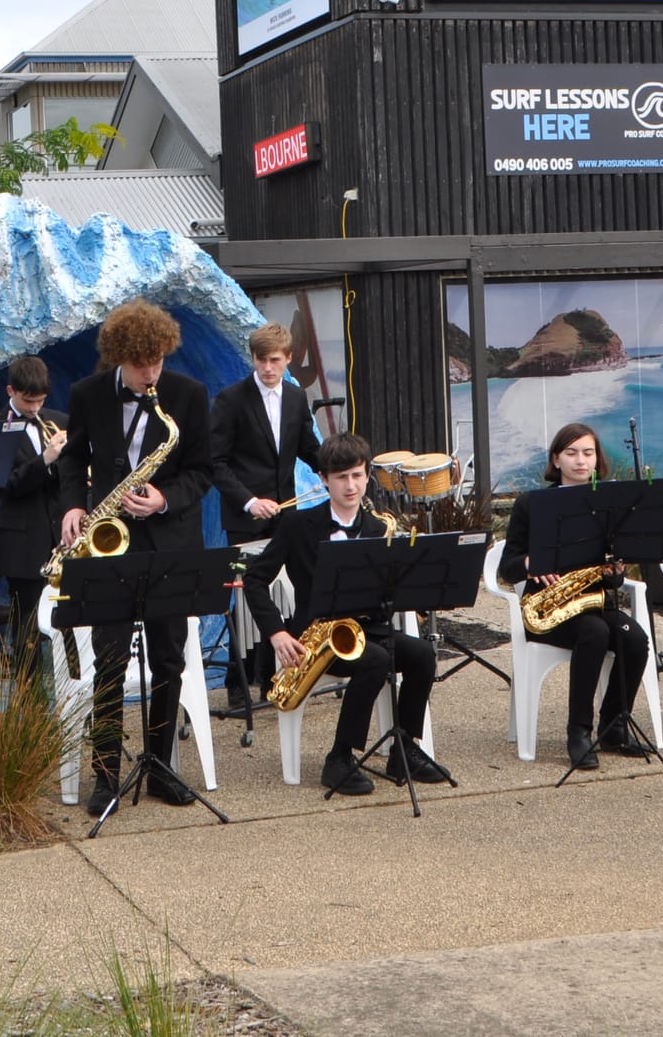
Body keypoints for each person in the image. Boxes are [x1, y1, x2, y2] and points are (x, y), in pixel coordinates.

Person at [57, 300, 216, 813]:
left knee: (169, 658)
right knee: (109, 660)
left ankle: (162, 767)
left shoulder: (188, 395)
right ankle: (105, 777)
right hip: (108, 544)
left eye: (159, 363)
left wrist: (164, 499)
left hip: (169, 542)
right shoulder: (87, 395)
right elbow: (73, 458)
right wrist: (73, 507)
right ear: (120, 357)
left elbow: (203, 470)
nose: (152, 375)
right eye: (142, 365)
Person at [243, 433, 447, 793]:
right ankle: (339, 759)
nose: (350, 486)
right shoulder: (297, 525)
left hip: (369, 628)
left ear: (367, 475)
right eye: (341, 477)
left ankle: (404, 750)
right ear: (323, 479)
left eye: (357, 475)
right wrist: (277, 633)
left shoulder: (378, 527)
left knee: (421, 655)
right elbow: (255, 580)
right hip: (318, 637)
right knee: (376, 660)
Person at [498, 422, 653, 769]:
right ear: (556, 459)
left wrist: (616, 573)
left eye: (588, 453)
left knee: (636, 639)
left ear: (597, 459)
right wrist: (528, 562)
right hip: (547, 610)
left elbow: (612, 579)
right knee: (594, 633)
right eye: (571, 453)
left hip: (593, 604)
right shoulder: (532, 504)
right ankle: (579, 733)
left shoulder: (609, 505)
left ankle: (614, 726)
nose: (580, 461)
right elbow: (507, 568)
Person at [212, 321, 324, 705]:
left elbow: (309, 448)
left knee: (295, 591)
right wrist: (249, 501)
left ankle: (276, 675)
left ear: (288, 358)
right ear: (253, 359)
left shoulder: (296, 397)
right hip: (246, 518)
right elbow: (216, 463)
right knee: (247, 600)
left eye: (275, 360)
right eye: (261, 360)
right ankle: (237, 683)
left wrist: (338, 469)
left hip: (287, 514)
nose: (267, 368)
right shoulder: (231, 400)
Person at [0, 356, 70, 671]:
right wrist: (47, 458)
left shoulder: (60, 420)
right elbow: (7, 485)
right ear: (11, 390)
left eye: (41, 400)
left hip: (62, 538)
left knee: (72, 625)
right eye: (28, 400)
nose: (35, 407)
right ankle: (30, 708)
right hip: (24, 543)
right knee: (27, 630)